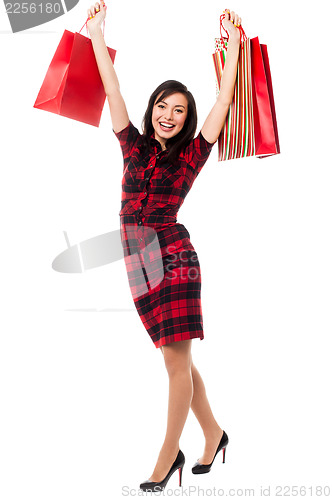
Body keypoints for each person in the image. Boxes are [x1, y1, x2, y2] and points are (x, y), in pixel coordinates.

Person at [87, 2, 242, 492]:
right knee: (181, 361)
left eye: (179, 110)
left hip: (173, 258)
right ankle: (214, 434)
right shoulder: (130, 143)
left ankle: (167, 456)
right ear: (152, 108)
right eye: (163, 106)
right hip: (137, 262)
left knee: (175, 365)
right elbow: (112, 86)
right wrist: (96, 32)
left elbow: (222, 104)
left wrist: (235, 47)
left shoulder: (192, 155)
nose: (170, 115)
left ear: (186, 117)